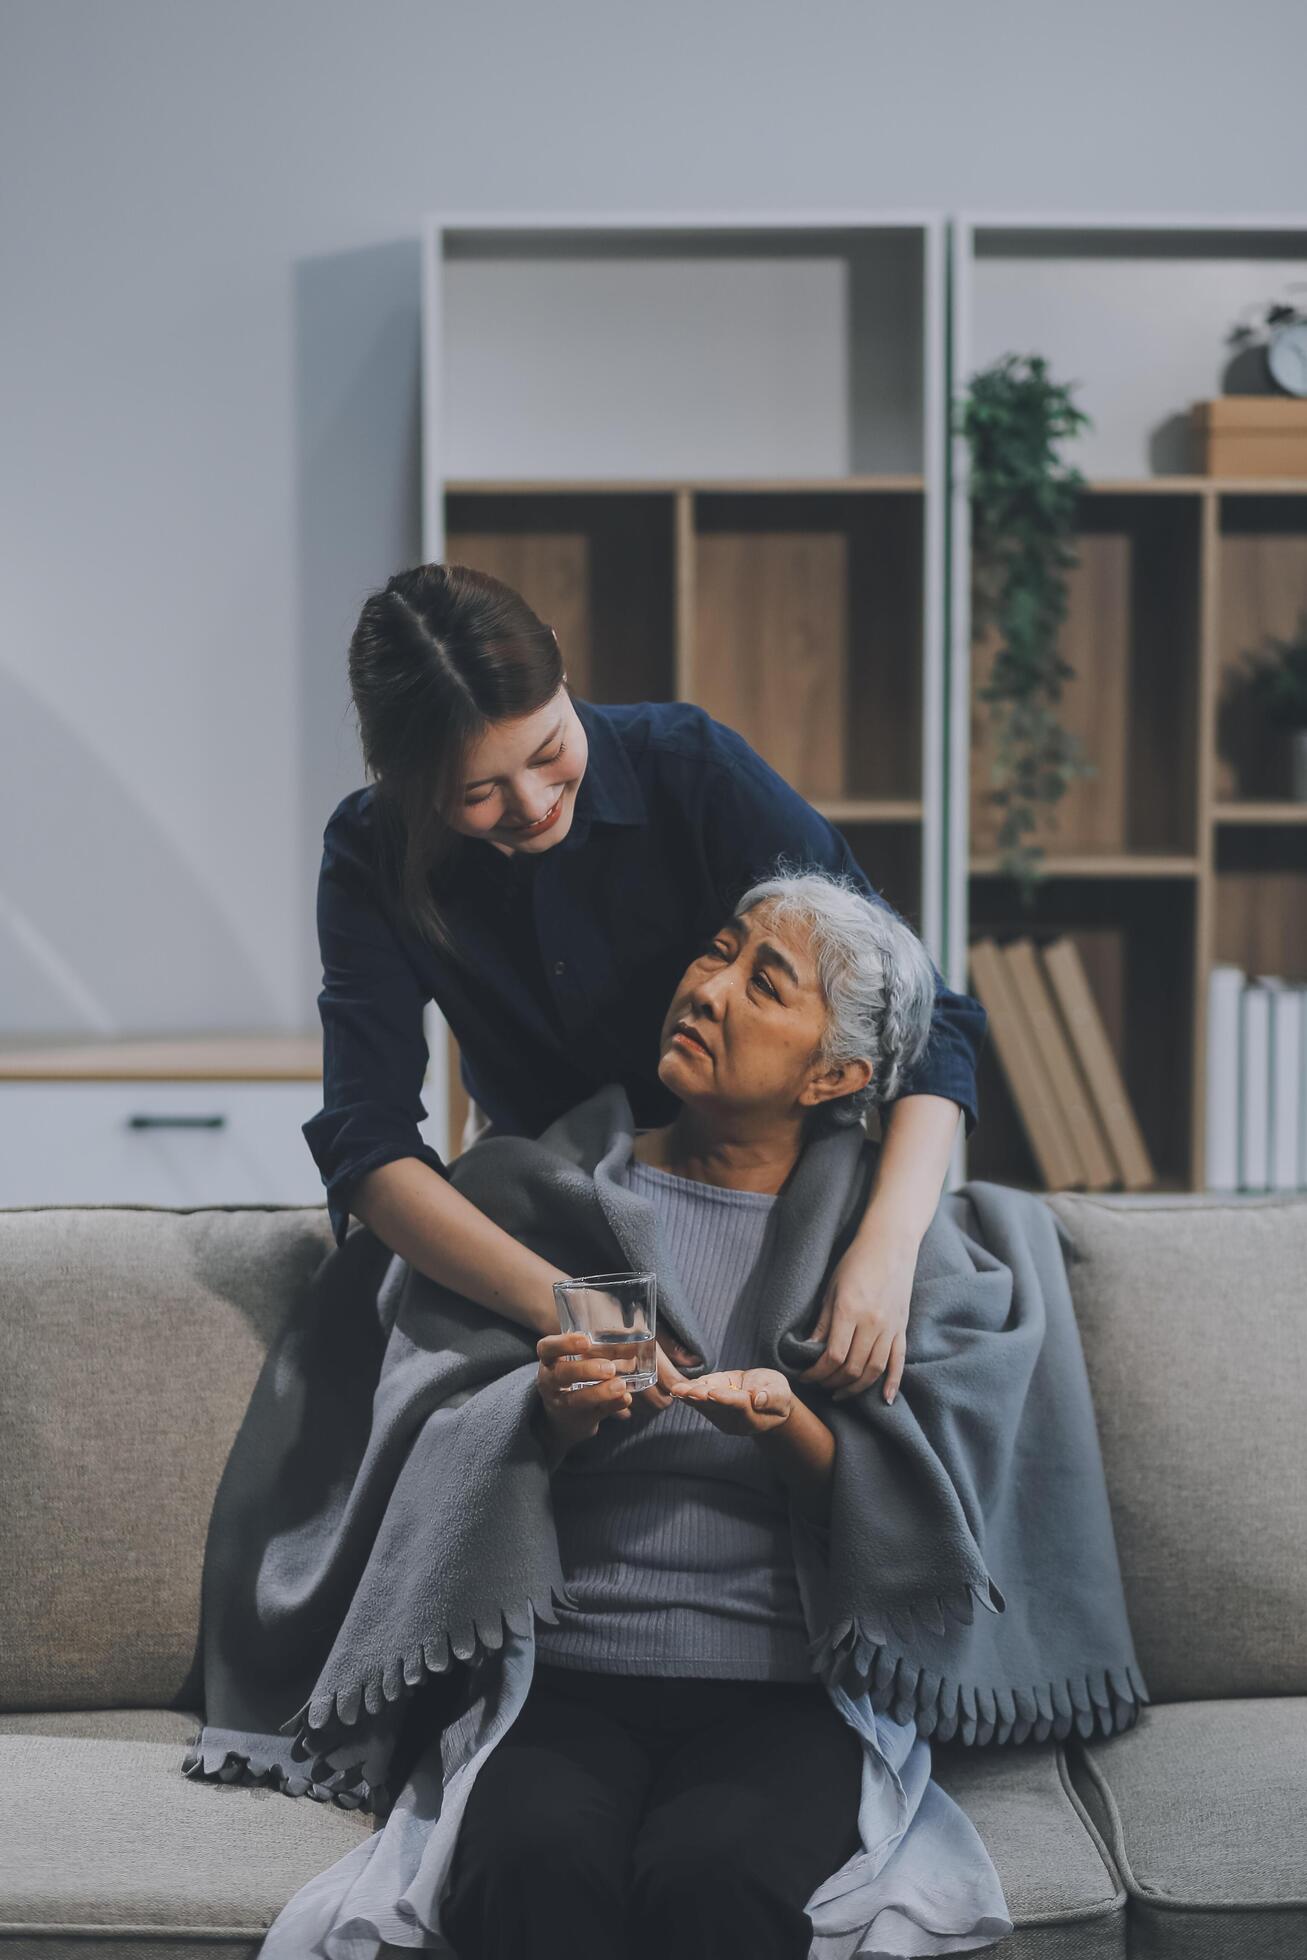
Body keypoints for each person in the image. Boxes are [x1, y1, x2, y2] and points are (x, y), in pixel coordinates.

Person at [425, 869, 1009, 1960]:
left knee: (714, 1877)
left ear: (831, 1073)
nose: (707, 987)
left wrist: (785, 1422)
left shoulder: (872, 1248)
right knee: (527, 1864)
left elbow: (918, 1512)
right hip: (568, 1671)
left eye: (763, 981)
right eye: (716, 949)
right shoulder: (548, 1198)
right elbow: (444, 1442)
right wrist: (549, 1411)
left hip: (779, 1692)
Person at [302, 562, 989, 1408]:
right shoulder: (371, 854)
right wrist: (575, 1307)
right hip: (554, 1212)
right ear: (407, 783)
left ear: (559, 657)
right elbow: (368, 1145)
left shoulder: (690, 770)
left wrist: (885, 1248)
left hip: (764, 1192)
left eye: (550, 751)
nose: (532, 803)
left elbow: (929, 1024)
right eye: (477, 793)